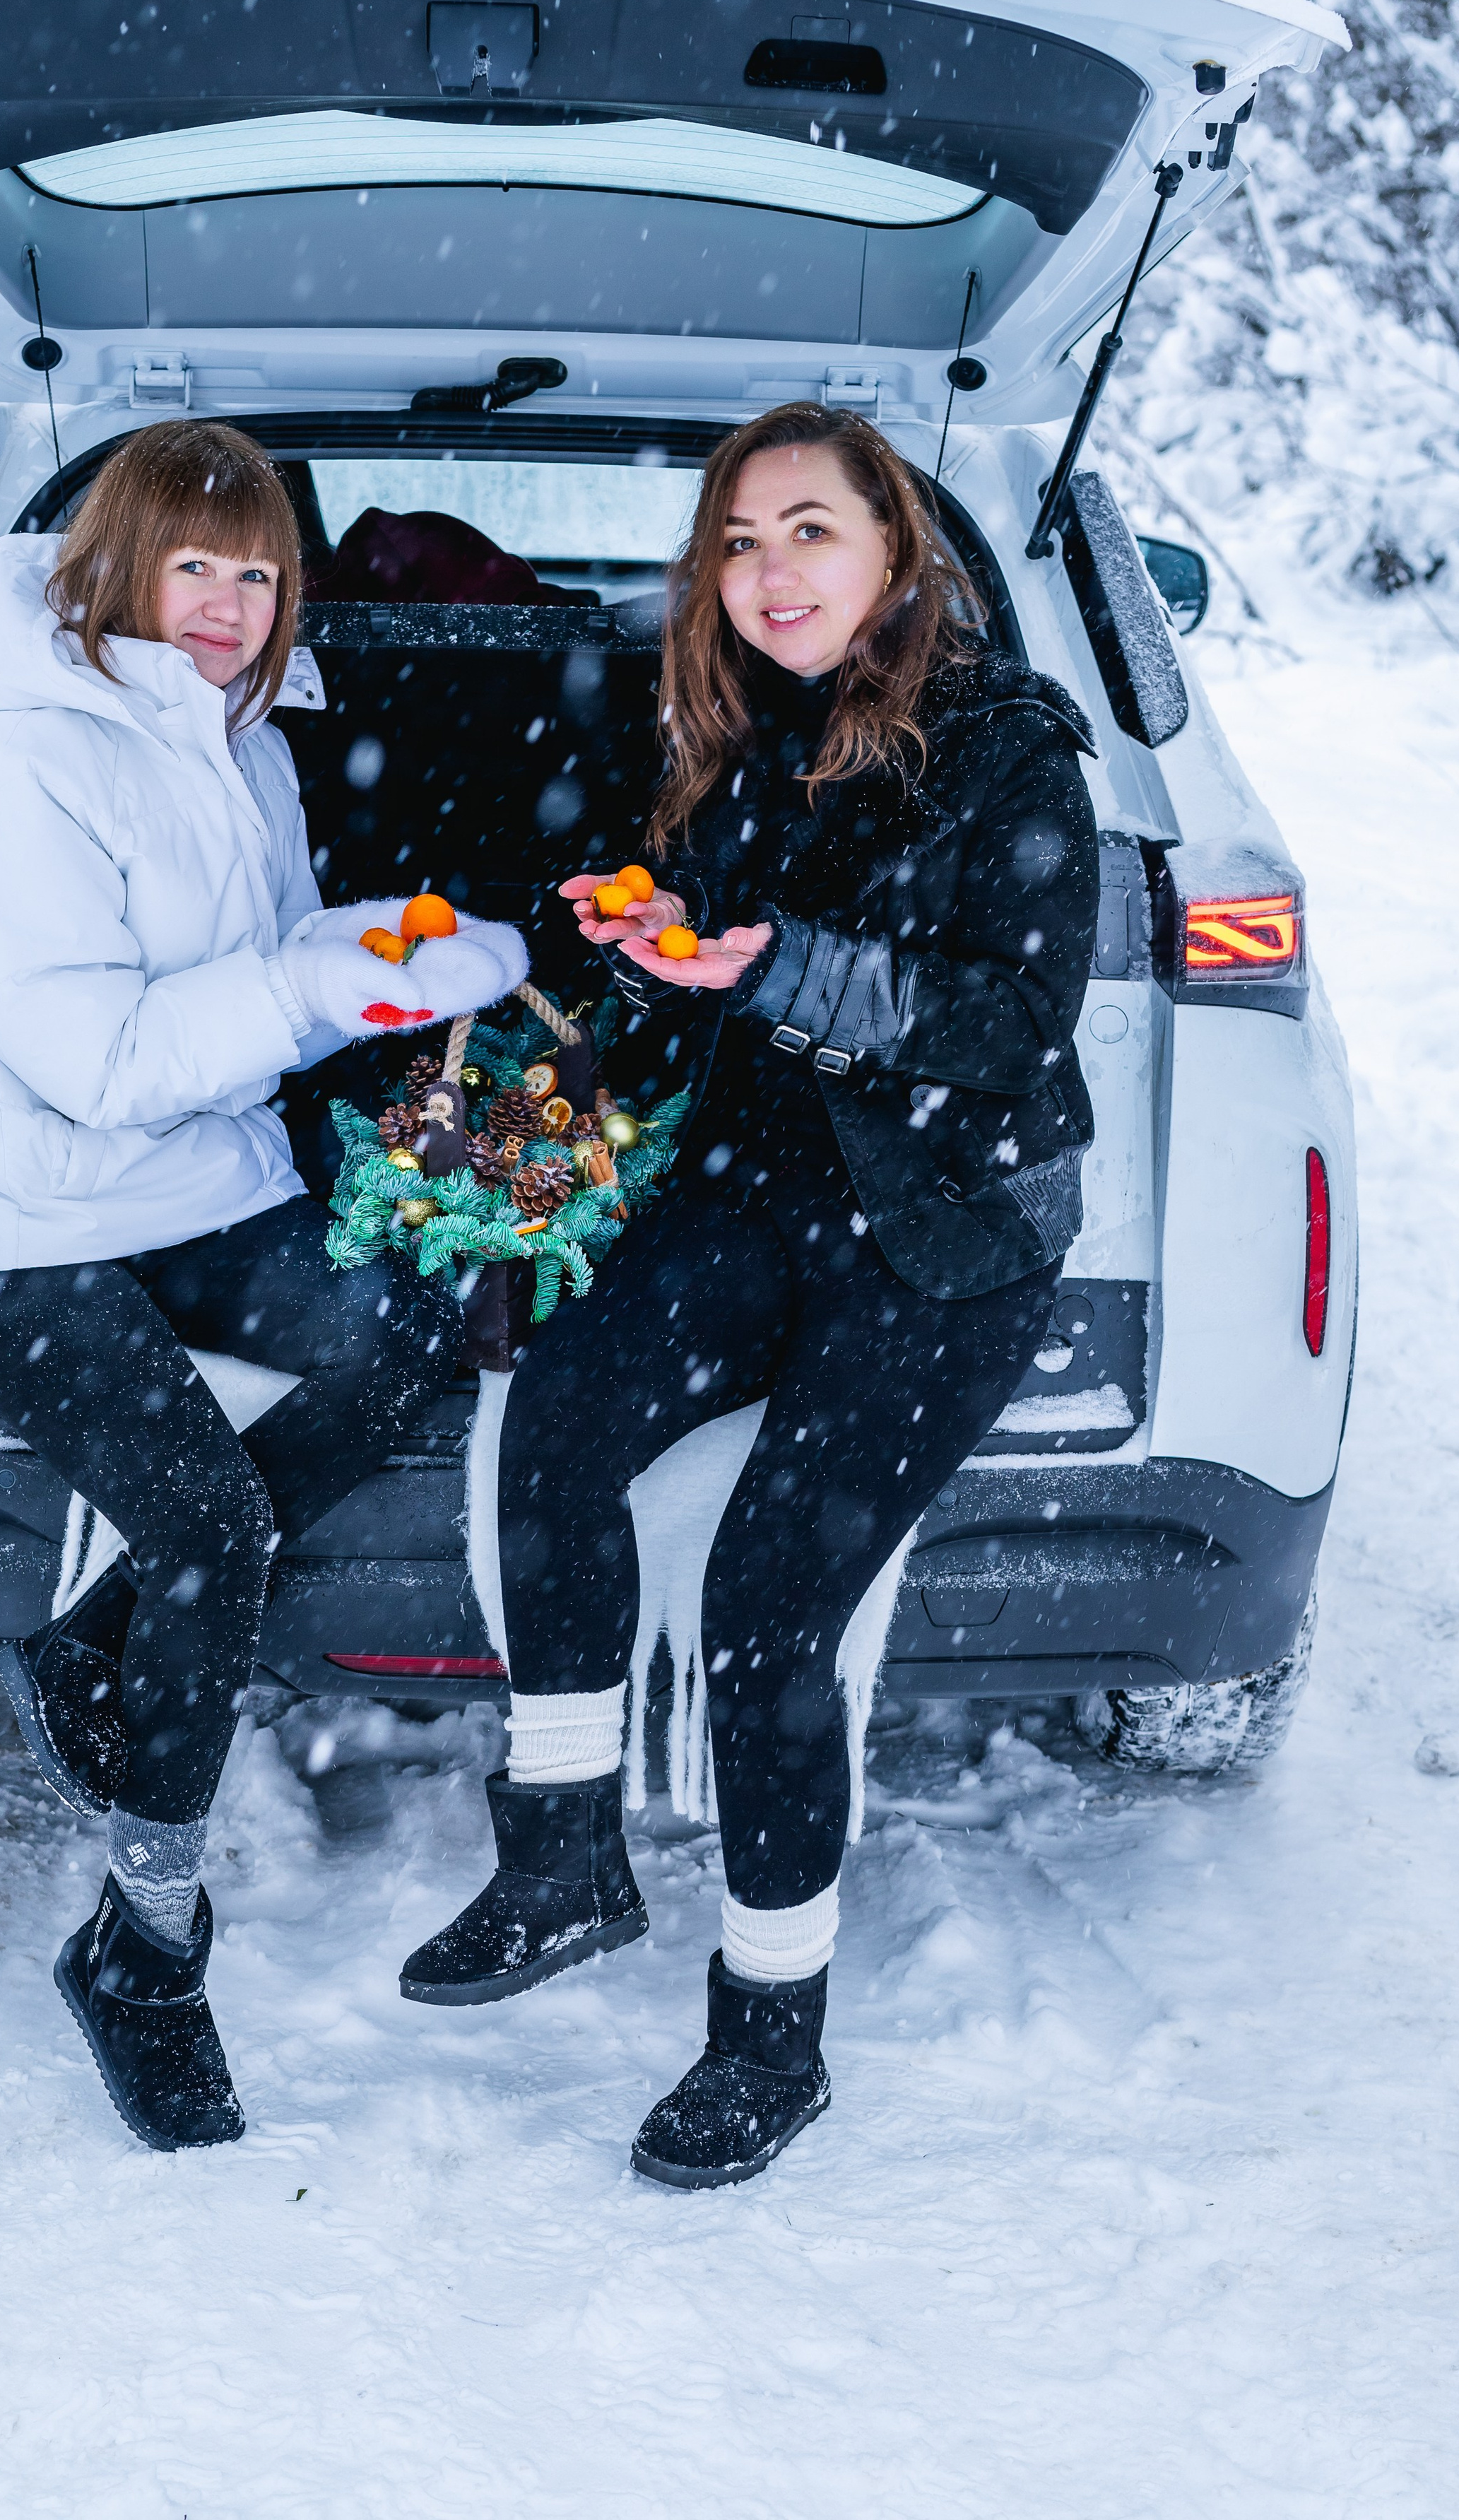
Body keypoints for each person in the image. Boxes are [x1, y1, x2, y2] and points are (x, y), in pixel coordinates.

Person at [400, 404, 1100, 2189]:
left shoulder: (1006, 747)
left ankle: (768, 2037)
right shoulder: (726, 745)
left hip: (943, 1230)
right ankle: (561, 1854)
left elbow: (1004, 1031)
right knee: (551, 1410)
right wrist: (631, 966)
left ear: (891, 554)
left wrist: (774, 964)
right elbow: (702, 994)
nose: (767, 571)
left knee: (767, 1610)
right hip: (761, 1191)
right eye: (736, 540)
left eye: (806, 530)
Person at [0, 419, 526, 2151]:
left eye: (256, 573)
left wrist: (394, 954)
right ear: (114, 571)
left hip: (180, 1185)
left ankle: (88, 1653)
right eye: (195, 567)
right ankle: (146, 1943)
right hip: (20, 1219)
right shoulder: (24, 769)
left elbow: (262, 982)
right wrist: (317, 976)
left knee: (408, 1328)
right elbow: (106, 1059)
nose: (230, 606)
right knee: (210, 1529)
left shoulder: (244, 750)